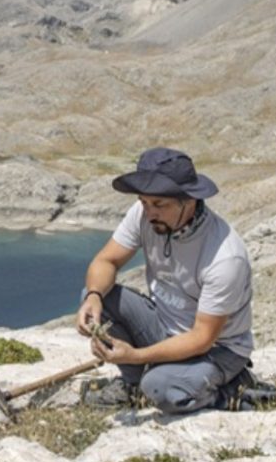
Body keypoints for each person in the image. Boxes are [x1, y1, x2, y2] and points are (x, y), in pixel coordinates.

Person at [76, 147, 255, 414]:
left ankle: (230, 388)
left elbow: (202, 338)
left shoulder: (225, 257)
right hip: (164, 326)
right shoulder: (145, 213)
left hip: (216, 350)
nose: (149, 213)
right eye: (144, 202)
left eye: (159, 205)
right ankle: (134, 385)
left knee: (160, 389)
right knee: (99, 295)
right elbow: (106, 262)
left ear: (190, 201)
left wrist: (135, 355)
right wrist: (93, 297)